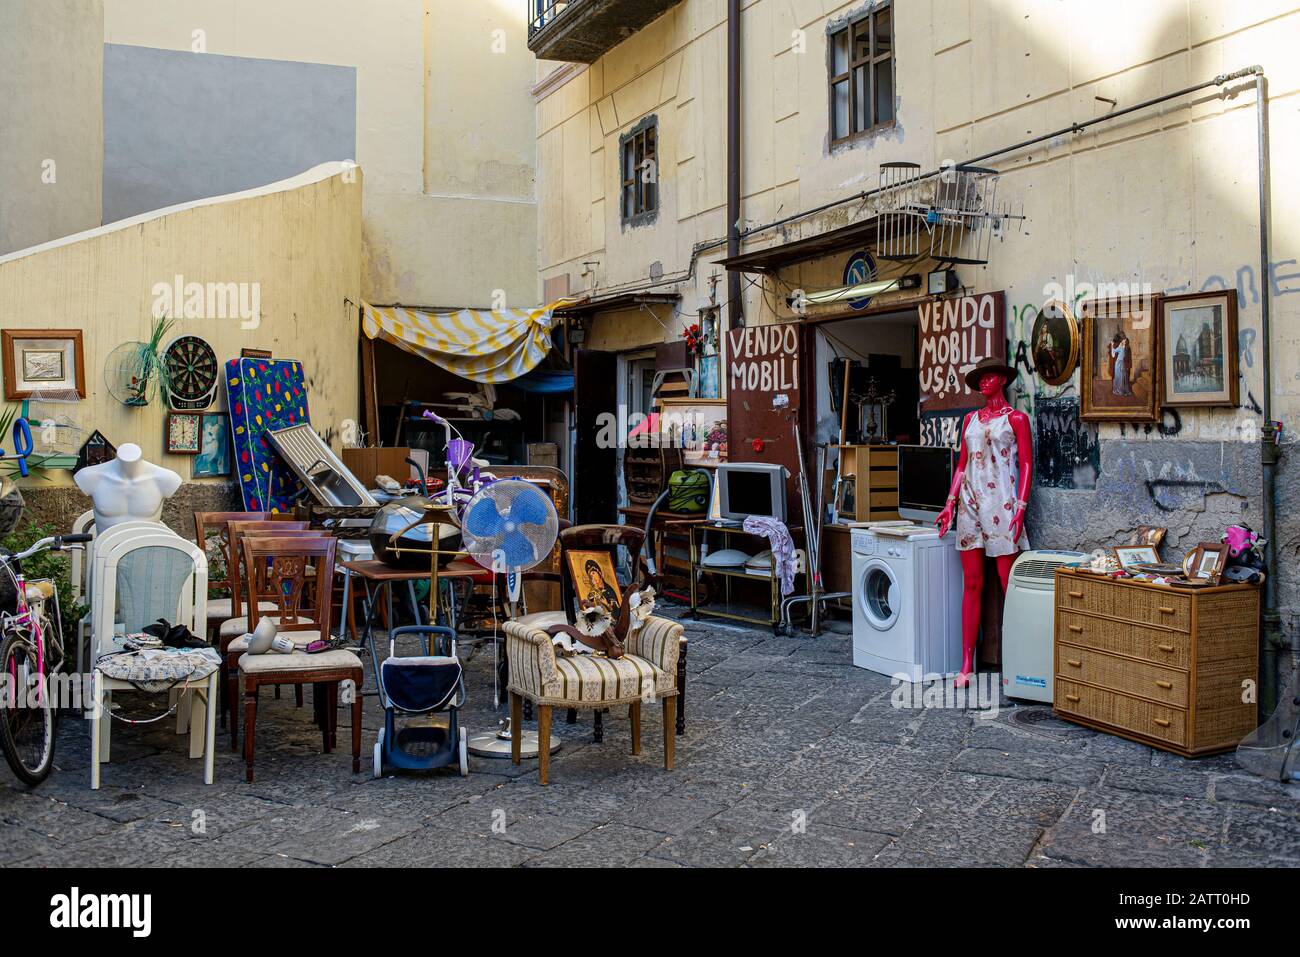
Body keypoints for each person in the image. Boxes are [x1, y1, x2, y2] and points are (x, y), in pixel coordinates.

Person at [936, 357, 1032, 688]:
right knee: (972, 583)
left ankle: (1019, 662)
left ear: (1003, 380)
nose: (986, 382)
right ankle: (966, 662)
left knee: (1010, 585)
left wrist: (1021, 508)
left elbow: (1027, 464)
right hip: (970, 505)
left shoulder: (1017, 419)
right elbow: (962, 464)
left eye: (992, 376)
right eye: (982, 378)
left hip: (1003, 505)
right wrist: (949, 504)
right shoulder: (970, 420)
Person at [1110, 331, 1133, 396]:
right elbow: (1113, 355)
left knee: (1124, 376)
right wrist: (1112, 345)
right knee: (1119, 376)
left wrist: (1128, 365)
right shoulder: (1120, 346)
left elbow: (1128, 356)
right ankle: (1119, 391)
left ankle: (1124, 391)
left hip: (1123, 363)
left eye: (1125, 340)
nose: (1124, 341)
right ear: (1121, 340)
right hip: (1118, 363)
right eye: (1123, 340)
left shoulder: (1127, 347)